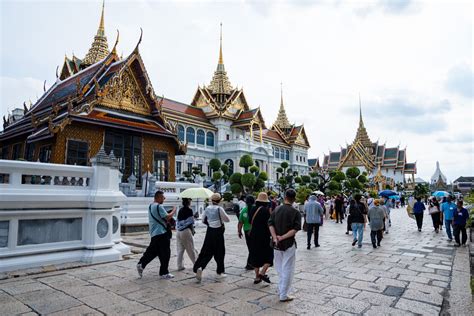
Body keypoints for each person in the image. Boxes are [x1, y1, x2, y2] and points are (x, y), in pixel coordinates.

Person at [268, 189, 301, 302]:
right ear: (294, 198)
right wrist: (282, 237)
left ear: (285, 197)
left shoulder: (277, 209)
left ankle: (282, 288)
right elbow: (295, 229)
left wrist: (274, 237)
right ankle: (283, 294)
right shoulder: (295, 212)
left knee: (279, 267)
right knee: (287, 268)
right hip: (288, 243)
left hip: (276, 243)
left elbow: (270, 224)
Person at [137, 190, 176, 279]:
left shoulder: (151, 206)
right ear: (158, 197)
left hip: (154, 233)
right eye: (163, 197)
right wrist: (174, 210)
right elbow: (168, 217)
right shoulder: (159, 206)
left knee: (153, 252)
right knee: (166, 253)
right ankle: (164, 272)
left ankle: (141, 264)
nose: (164, 198)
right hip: (161, 233)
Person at [193, 193, 230, 283]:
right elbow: (227, 219)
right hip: (218, 232)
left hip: (209, 232)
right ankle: (219, 272)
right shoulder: (219, 209)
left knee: (206, 251)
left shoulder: (207, 208)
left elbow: (202, 220)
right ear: (219, 201)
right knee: (220, 252)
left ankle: (199, 267)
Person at [248, 192, 274, 284]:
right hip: (264, 236)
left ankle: (256, 277)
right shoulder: (266, 211)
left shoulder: (252, 209)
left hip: (254, 235)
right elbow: (269, 223)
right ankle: (262, 273)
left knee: (255, 255)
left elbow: (249, 220)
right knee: (269, 255)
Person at [176, 198, 198, 271]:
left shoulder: (180, 209)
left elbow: (182, 220)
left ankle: (180, 265)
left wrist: (193, 216)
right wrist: (193, 230)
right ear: (189, 202)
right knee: (191, 249)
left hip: (179, 231)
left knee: (180, 249)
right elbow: (190, 222)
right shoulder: (189, 210)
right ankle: (197, 265)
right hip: (185, 231)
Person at [238, 195, 255, 270]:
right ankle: (250, 263)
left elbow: (240, 222)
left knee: (250, 247)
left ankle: (250, 263)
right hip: (255, 230)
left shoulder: (244, 210)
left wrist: (239, 231)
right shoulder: (256, 209)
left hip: (246, 230)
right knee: (253, 247)